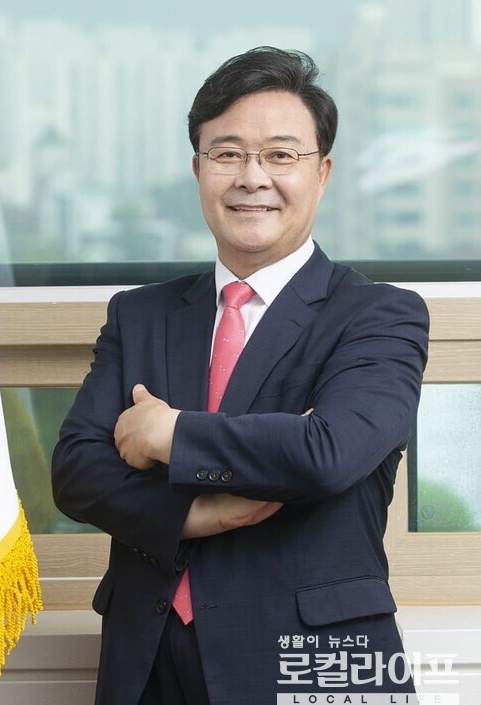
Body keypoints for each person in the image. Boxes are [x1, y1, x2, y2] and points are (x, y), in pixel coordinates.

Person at [52, 46, 429, 705]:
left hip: (310, 661)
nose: (252, 177)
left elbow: (326, 454)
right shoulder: (140, 314)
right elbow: (78, 470)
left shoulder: (379, 315)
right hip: (148, 663)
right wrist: (194, 513)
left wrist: (168, 433)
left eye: (280, 155)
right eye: (227, 153)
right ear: (198, 168)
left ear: (322, 171)